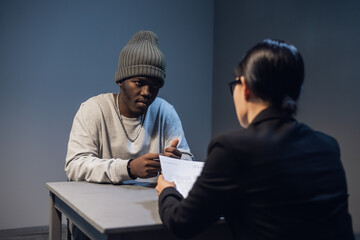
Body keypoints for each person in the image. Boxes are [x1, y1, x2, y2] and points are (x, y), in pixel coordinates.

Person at [156, 39, 355, 240]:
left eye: (235, 85)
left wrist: (167, 192)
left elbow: (182, 223)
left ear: (246, 87)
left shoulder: (231, 149)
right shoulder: (328, 147)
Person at [65, 30, 193, 183]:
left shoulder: (165, 111)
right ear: (121, 80)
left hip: (151, 202)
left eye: (154, 86)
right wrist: (129, 168)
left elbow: (187, 163)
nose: (146, 92)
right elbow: (74, 166)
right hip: (99, 203)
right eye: (139, 83)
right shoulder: (93, 109)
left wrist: (176, 162)